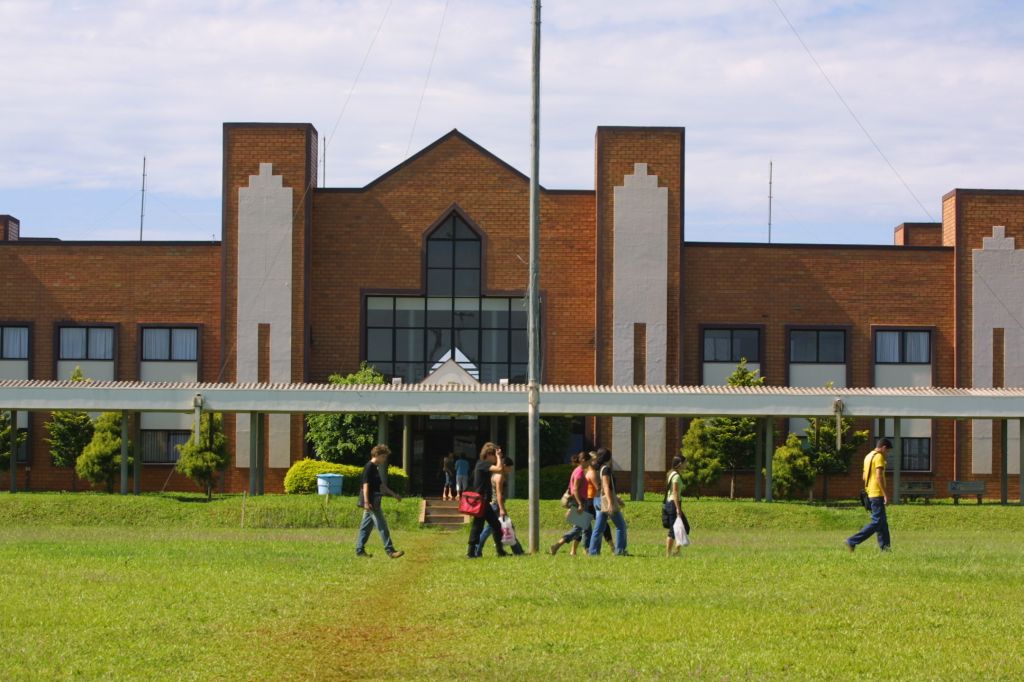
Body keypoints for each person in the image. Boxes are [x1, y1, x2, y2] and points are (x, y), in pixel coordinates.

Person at [355, 444, 404, 559]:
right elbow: (365, 485)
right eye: (383, 456)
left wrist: (394, 495)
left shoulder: (375, 468)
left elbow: (381, 485)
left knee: (365, 527)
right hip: (371, 502)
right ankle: (390, 551)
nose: (385, 459)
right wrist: (366, 502)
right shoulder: (369, 467)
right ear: (376, 455)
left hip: (373, 501)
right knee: (382, 526)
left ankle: (359, 550)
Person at [846, 438, 892, 552]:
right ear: (884, 448)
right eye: (887, 451)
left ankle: (885, 548)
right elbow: (879, 476)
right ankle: (852, 541)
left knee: (882, 523)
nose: (887, 454)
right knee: (877, 522)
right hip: (877, 493)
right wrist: (885, 494)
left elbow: (864, 477)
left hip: (870, 493)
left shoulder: (867, 456)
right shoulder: (879, 457)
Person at [477, 452, 525, 555]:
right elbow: (499, 494)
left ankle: (510, 551)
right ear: (504, 465)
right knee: (501, 528)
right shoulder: (499, 476)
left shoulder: (495, 475)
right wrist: (502, 509)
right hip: (496, 506)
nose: (510, 470)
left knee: (497, 528)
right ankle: (518, 551)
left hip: (494, 505)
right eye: (509, 467)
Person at [467, 442, 509, 558]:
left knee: (494, 525)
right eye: (494, 455)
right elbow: (499, 468)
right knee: (478, 526)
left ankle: (499, 551)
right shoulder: (482, 464)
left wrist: (498, 456)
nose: (496, 458)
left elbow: (499, 469)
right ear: (489, 454)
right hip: (481, 501)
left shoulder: (483, 465)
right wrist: (499, 456)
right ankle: (471, 552)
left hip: (484, 502)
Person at [549, 451, 593, 556]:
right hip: (579, 502)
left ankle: (587, 550)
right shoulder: (579, 473)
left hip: (580, 501)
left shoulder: (578, 470)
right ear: (583, 461)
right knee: (578, 529)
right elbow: (575, 490)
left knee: (587, 528)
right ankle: (556, 546)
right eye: (589, 461)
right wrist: (580, 504)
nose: (590, 464)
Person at [588, 448, 628, 556]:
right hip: (605, 500)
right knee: (621, 526)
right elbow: (606, 486)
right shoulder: (606, 469)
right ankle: (620, 551)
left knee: (599, 528)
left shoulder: (597, 468)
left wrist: (616, 499)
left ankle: (593, 551)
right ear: (608, 458)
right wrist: (610, 502)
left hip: (597, 499)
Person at [663, 455, 687, 557]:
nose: (686, 465)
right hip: (674, 503)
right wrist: (678, 508)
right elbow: (675, 492)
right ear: (680, 464)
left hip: (671, 503)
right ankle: (668, 554)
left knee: (684, 527)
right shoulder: (676, 476)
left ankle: (676, 551)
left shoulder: (671, 473)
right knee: (673, 530)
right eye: (685, 463)